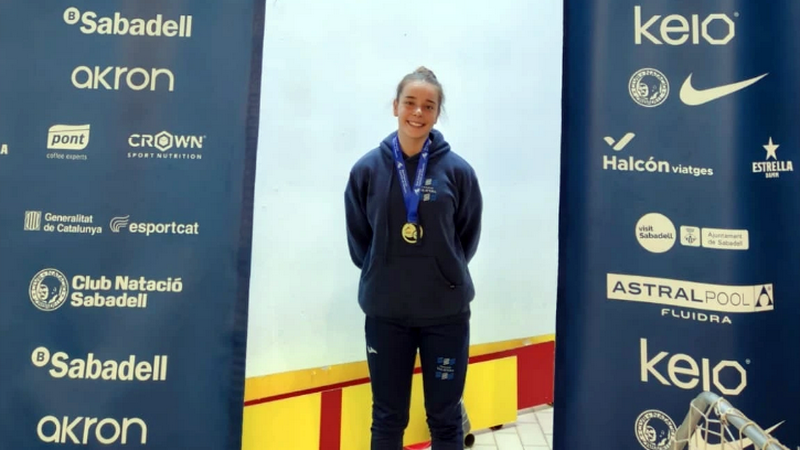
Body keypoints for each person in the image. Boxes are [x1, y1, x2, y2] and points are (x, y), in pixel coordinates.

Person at [344, 66, 483, 450]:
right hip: (386, 315)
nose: (418, 112)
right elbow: (359, 240)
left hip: (445, 316)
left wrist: (444, 271)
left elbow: (465, 239)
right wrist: (382, 271)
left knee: (445, 418)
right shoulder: (367, 170)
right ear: (395, 107)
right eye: (410, 103)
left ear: (437, 113)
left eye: (428, 105)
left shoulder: (458, 172)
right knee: (387, 418)